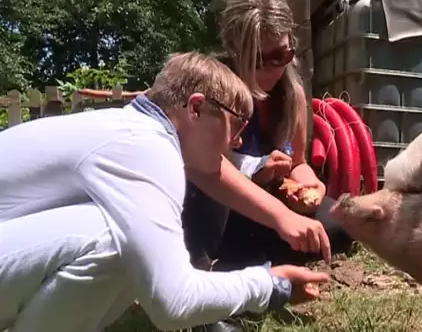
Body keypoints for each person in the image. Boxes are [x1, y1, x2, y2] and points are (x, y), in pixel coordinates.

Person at [0, 52, 329, 332]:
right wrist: (270, 285)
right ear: (196, 109)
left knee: (133, 248)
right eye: (237, 124)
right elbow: (174, 302)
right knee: (116, 243)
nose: (239, 141)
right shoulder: (147, 148)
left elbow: (215, 177)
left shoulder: (129, 132)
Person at [182, 0, 354, 274]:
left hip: (271, 210)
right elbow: (204, 170)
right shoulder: (213, 88)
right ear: (234, 50)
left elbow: (299, 163)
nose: (273, 68)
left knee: (339, 224)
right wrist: (258, 173)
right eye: (260, 58)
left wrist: (309, 187)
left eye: (283, 54)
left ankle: (250, 263)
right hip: (223, 205)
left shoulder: (292, 95)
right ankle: (213, 270)